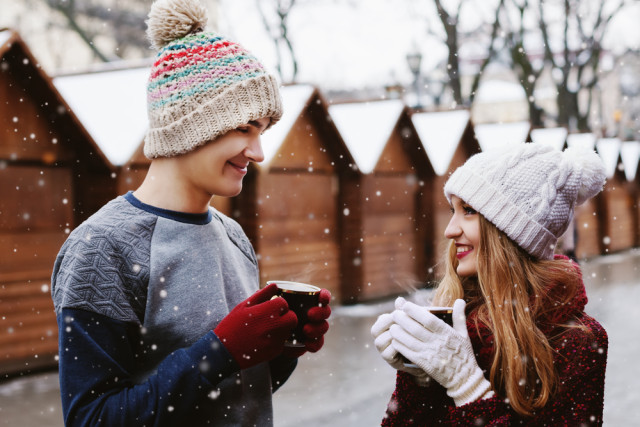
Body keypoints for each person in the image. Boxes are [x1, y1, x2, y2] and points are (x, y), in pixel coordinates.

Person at [50, 0, 331, 425]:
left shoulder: (233, 235)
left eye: (262, 131)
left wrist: (281, 349)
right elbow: (91, 417)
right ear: (189, 124)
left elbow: (234, 397)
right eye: (244, 128)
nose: (257, 152)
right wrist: (219, 352)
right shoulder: (102, 248)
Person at [371, 142, 608, 425]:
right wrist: (418, 380)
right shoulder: (454, 321)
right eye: (453, 210)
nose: (450, 230)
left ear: (510, 234)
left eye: (468, 210)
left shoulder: (578, 342)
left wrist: (468, 388)